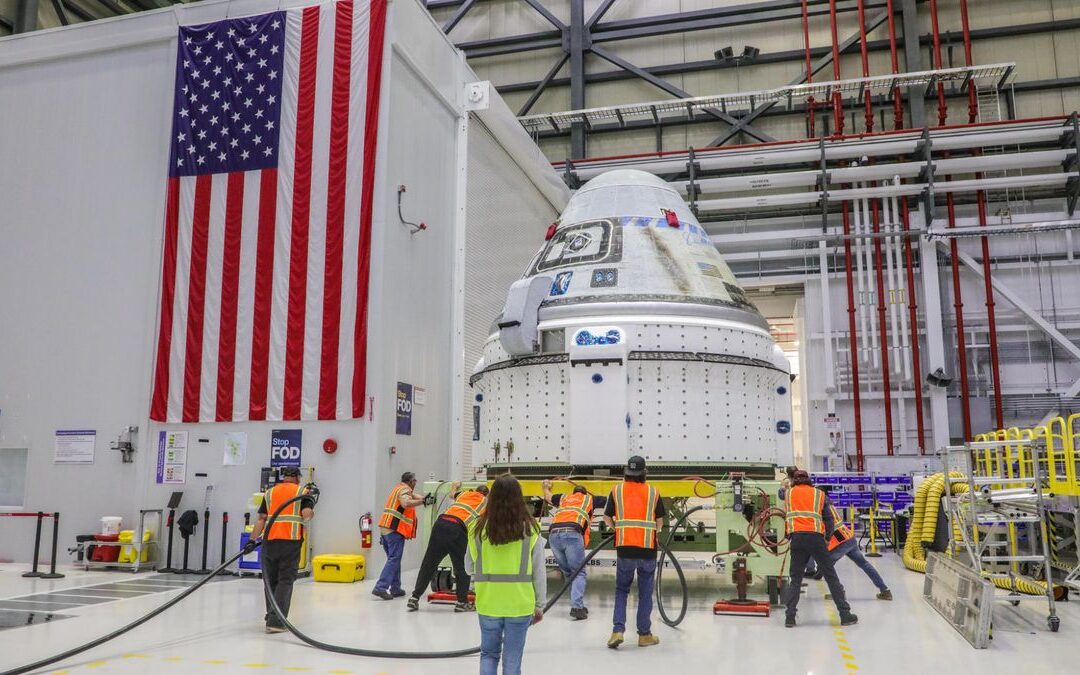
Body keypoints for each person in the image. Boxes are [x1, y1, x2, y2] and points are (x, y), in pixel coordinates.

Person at [466, 474, 546, 675]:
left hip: (488, 602)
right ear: (519, 498)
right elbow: (539, 572)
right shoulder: (530, 530)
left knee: (488, 655)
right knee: (512, 661)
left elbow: (468, 567)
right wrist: (539, 605)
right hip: (519, 605)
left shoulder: (477, 529)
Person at [783, 470, 858, 628]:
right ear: (809, 480)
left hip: (796, 539)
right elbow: (829, 520)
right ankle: (845, 614)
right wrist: (827, 539)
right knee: (831, 576)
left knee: (795, 579)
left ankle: (790, 617)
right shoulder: (819, 494)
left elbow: (780, 494)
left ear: (794, 481)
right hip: (816, 538)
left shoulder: (788, 494)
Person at [603, 456, 664, 649]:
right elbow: (660, 523)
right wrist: (655, 533)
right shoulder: (653, 492)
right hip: (648, 550)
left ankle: (617, 630)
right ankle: (644, 635)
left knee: (622, 590)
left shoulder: (617, 490)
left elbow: (606, 517)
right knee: (645, 593)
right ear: (645, 473)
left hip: (624, 548)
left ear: (626, 473)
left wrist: (617, 528)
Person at [247, 467, 315, 634]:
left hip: (269, 542)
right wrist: (311, 502)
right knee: (285, 580)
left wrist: (251, 540)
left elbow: (261, 519)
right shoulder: (302, 491)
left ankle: (271, 615)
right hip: (290, 542)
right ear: (298, 477)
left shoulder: (270, 493)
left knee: (270, 581)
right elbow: (307, 515)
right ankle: (276, 621)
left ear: (284, 477)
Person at [407, 481, 490, 612]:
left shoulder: (464, 494)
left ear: (475, 490)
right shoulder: (485, 501)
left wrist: (455, 486)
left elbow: (451, 495)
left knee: (428, 564)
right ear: (487, 494)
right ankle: (462, 603)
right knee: (462, 568)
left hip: (440, 523)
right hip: (457, 529)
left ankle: (414, 598)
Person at [541, 480, 607, 620]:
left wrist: (545, 487)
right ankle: (577, 607)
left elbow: (547, 497)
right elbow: (611, 500)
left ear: (574, 492)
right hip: (572, 533)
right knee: (578, 572)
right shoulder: (590, 499)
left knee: (569, 573)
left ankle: (577, 605)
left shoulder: (564, 498)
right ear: (584, 492)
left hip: (553, 535)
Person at [372, 472, 427, 600]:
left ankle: (396, 588)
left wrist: (425, 499)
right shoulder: (404, 490)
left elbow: (416, 496)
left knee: (394, 559)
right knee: (394, 559)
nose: (416, 482)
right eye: (415, 480)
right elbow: (405, 503)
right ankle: (380, 587)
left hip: (386, 529)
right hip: (394, 530)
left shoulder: (399, 488)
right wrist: (422, 502)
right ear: (410, 481)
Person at [826, 502, 892, 600]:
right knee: (864, 564)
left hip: (840, 541)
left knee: (826, 566)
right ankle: (885, 590)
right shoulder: (829, 504)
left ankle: (838, 592)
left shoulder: (821, 507)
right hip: (848, 536)